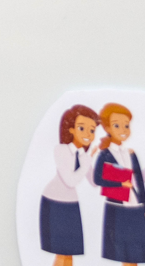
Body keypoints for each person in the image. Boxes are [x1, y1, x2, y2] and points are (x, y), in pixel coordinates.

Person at [39, 104, 99, 265]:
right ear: (71, 129)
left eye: (92, 130)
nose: (88, 134)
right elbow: (70, 181)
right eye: (82, 128)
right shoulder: (61, 150)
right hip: (54, 202)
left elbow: (93, 182)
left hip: (71, 204)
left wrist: (99, 162)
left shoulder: (83, 155)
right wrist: (86, 163)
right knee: (61, 252)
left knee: (70, 252)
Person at [93, 103, 145, 266]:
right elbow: (97, 179)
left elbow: (139, 182)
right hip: (117, 208)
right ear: (107, 127)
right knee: (123, 254)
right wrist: (120, 183)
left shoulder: (131, 153)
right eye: (117, 125)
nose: (123, 130)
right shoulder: (105, 154)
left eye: (126, 126)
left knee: (136, 253)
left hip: (136, 207)